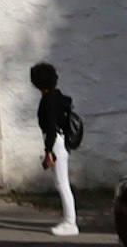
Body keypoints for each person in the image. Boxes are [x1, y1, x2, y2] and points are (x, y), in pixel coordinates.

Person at [31, 62, 88, 235]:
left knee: (62, 183)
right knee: (61, 183)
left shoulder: (47, 102)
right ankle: (68, 221)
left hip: (55, 143)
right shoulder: (59, 97)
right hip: (62, 142)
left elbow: (50, 128)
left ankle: (70, 223)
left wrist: (48, 151)